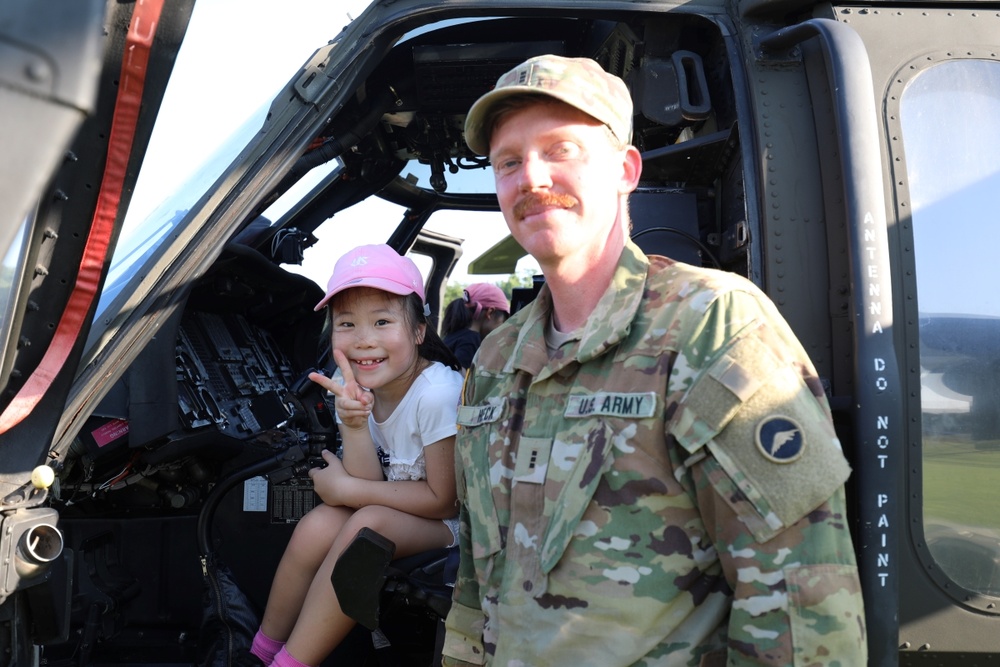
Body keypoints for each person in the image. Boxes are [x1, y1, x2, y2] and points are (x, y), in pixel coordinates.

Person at [441, 55, 867, 666]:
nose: (531, 177)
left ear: (625, 170)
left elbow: (802, 598)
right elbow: (478, 585)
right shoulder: (496, 358)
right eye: (509, 162)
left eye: (561, 149)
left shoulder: (710, 324)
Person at [250, 244, 463, 667]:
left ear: (419, 330)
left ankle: (291, 663)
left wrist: (345, 486)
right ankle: (258, 652)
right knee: (319, 524)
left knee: (368, 524)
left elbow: (445, 501)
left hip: (453, 525)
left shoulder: (438, 394)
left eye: (382, 321)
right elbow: (369, 483)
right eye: (346, 324)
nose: (364, 339)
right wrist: (352, 422)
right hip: (404, 509)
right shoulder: (351, 383)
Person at [441, 282, 511, 369]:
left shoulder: (454, 335)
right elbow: (461, 378)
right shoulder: (471, 340)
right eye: (503, 321)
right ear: (490, 312)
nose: (503, 327)